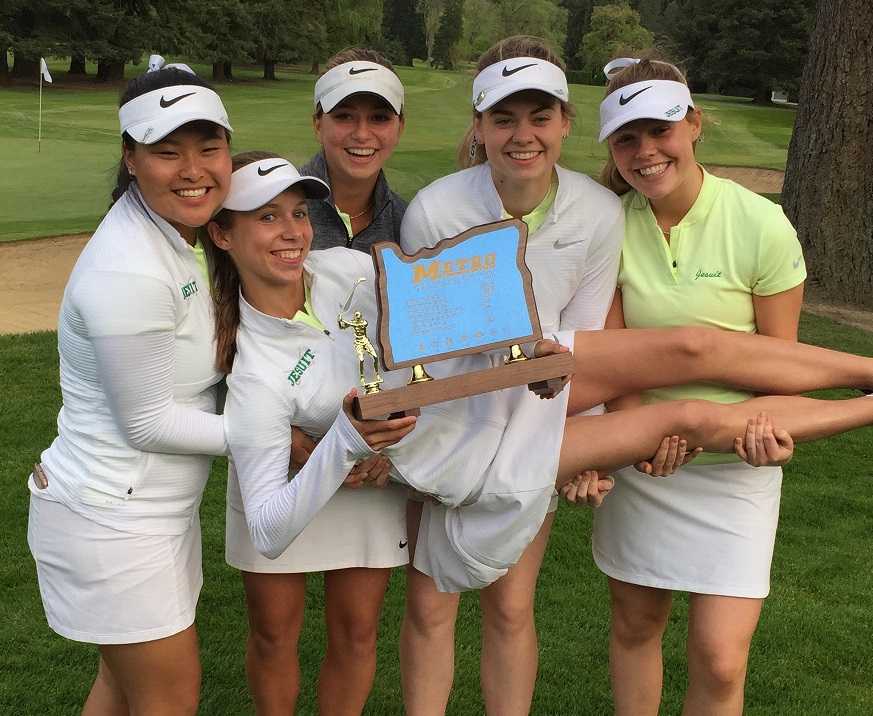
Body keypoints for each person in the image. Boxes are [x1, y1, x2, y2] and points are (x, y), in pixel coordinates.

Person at [209, 166, 873, 716]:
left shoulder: (343, 266)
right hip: (480, 458)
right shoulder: (258, 376)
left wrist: (522, 344)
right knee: (689, 418)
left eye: (297, 214)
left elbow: (441, 310)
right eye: (266, 219)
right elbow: (268, 528)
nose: (292, 233)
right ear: (222, 235)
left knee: (690, 345)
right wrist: (346, 443)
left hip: (495, 375)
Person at [397, 35, 625, 715]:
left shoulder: (597, 212)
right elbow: (419, 351)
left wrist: (583, 448)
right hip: (442, 428)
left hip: (535, 429)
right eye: (503, 119)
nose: (522, 136)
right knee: (430, 607)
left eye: (538, 117)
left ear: (563, 123)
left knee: (510, 606)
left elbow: (586, 343)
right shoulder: (437, 210)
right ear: (478, 127)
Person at [589, 56, 807, 716]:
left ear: (693, 124)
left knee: (718, 656)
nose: (645, 151)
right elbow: (613, 361)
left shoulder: (760, 223)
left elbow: (781, 368)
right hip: (644, 465)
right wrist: (635, 438)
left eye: (659, 130)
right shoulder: (606, 228)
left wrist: (768, 432)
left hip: (734, 464)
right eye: (626, 138)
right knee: (634, 628)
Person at [26, 67, 233, 715]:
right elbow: (149, 423)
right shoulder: (129, 267)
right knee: (167, 700)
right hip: (113, 519)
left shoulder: (176, 238)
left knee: (121, 690)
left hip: (142, 513)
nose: (192, 168)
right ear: (130, 157)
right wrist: (279, 437)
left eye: (208, 148)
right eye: (167, 151)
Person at [301, 47, 407, 252]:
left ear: (400, 128)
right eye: (344, 116)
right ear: (318, 125)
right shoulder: (275, 209)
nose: (362, 134)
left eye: (379, 118)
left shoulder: (408, 224)